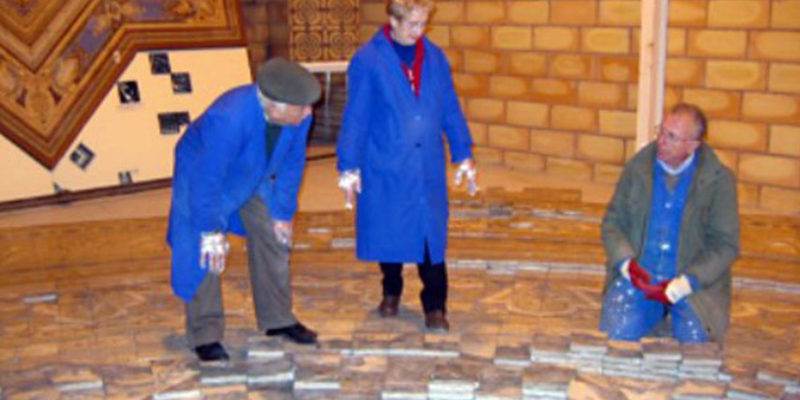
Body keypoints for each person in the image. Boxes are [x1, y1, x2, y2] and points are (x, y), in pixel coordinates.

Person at [167, 57, 322, 361]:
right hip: (201, 173)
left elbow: (293, 165)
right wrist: (210, 229)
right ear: (275, 106)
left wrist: (283, 213)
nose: (309, 112)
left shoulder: (299, 115)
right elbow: (207, 178)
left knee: (273, 234)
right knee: (204, 250)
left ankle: (278, 318)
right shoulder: (228, 118)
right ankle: (205, 333)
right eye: (301, 107)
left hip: (253, 168)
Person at [336, 0, 477, 332]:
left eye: (424, 23)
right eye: (413, 24)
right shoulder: (368, 60)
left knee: (430, 237)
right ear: (393, 20)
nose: (420, 31)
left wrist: (463, 151)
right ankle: (391, 290)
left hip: (425, 164)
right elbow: (356, 116)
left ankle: (435, 305)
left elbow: (450, 106)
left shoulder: (435, 58)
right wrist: (348, 163)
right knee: (390, 229)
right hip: (386, 162)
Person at [599, 103, 740, 343]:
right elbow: (613, 222)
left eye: (672, 137)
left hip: (693, 286)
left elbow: (725, 245)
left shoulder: (718, 181)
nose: (661, 141)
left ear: (693, 145)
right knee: (617, 335)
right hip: (641, 279)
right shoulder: (637, 169)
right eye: (662, 132)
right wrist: (625, 263)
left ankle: (672, 316)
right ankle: (653, 315)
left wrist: (688, 282)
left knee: (695, 343)